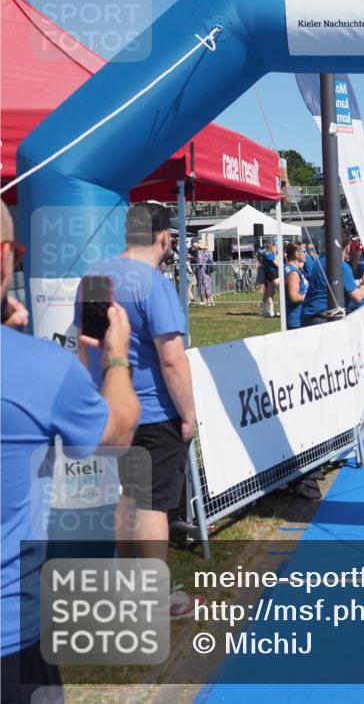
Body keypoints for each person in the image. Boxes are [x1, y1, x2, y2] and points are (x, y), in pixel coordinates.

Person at [1, 202, 139, 704]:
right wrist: (117, 354)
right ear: (4, 259)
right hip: (12, 637)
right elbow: (117, 432)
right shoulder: (38, 369)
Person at [75, 201, 199, 616]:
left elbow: (87, 347)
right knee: (151, 504)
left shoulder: (94, 278)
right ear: (164, 238)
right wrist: (189, 414)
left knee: (128, 497)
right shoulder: (155, 284)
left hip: (111, 408)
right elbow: (172, 359)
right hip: (152, 411)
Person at [301, 246, 364, 324]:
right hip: (322, 319)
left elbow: (334, 284)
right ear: (348, 247)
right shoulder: (342, 266)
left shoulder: (320, 260)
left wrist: (360, 282)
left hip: (308, 316)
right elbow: (357, 297)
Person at [283, 242, 309, 330]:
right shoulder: (293, 273)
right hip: (296, 319)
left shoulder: (288, 268)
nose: (306, 254)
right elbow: (294, 297)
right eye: (304, 251)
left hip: (297, 317)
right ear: (296, 254)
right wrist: (311, 298)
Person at [257, 240, 280, 318]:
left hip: (269, 274)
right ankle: (272, 310)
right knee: (281, 290)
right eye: (275, 247)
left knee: (270, 293)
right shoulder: (268, 254)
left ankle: (271, 311)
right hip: (272, 274)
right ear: (272, 247)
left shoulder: (269, 254)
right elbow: (277, 264)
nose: (276, 249)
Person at [193, 240, 214, 306]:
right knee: (208, 284)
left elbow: (200, 262)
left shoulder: (200, 252)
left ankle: (206, 301)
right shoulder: (209, 252)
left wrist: (194, 259)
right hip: (208, 269)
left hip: (202, 269)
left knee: (203, 283)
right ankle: (211, 301)